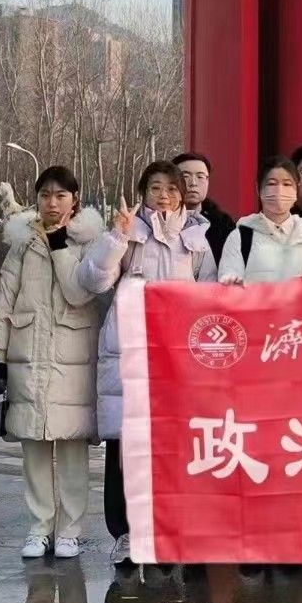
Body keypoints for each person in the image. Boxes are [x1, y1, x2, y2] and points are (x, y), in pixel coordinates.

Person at [78, 160, 218, 567]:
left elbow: (210, 295)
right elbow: (92, 281)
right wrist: (116, 238)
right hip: (129, 350)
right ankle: (125, 534)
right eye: (155, 188)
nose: (164, 196)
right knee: (125, 447)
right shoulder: (128, 232)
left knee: (171, 449)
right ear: (143, 192)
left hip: (175, 358)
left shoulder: (197, 239)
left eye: (172, 188)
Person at [0, 166, 105, 562]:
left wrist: (59, 244)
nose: (52, 203)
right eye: (45, 195)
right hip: (29, 354)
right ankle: (40, 527)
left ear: (75, 200)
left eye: (60, 195)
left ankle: (70, 530)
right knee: (35, 447)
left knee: (72, 448)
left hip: (74, 357)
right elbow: (5, 301)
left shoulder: (89, 241)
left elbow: (79, 292)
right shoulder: (22, 244)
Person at [218, 156, 302, 284]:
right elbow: (229, 281)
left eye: (287, 184)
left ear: (296, 190)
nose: (279, 190)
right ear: (258, 189)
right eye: (272, 183)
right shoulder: (240, 237)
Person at [175, 151, 236, 264]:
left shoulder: (222, 224)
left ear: (208, 181)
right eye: (185, 176)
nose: (193, 183)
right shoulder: (159, 221)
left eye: (200, 177)